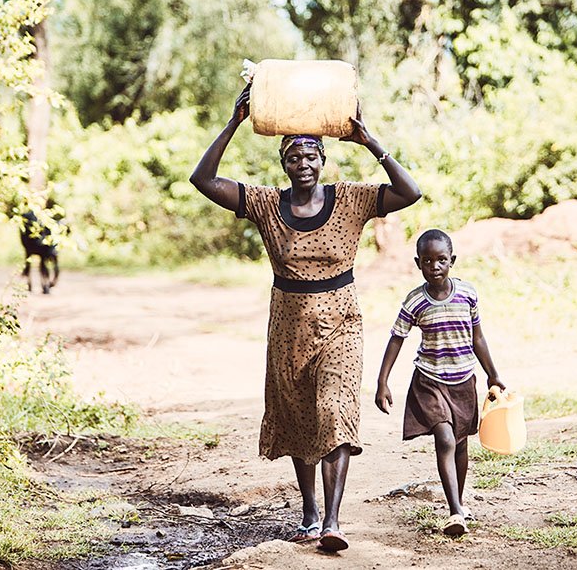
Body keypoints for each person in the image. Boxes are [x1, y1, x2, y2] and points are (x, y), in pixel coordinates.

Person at [189, 83, 421, 552]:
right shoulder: (264, 204)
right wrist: (234, 123)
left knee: (334, 411)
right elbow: (203, 180)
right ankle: (310, 512)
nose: (304, 165)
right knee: (297, 417)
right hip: (288, 327)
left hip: (341, 324)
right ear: (284, 164)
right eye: (294, 157)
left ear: (323, 160)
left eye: (312, 156)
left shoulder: (351, 199)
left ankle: (333, 521)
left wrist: (371, 141)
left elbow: (409, 192)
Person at [374, 228, 504, 537]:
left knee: (460, 444)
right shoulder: (415, 302)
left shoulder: (468, 294)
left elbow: (478, 338)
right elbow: (397, 339)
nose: (434, 267)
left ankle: (456, 504)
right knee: (444, 438)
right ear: (418, 263)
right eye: (428, 261)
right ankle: (457, 511)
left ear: (452, 261)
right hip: (429, 382)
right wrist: (383, 382)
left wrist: (493, 373)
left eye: (441, 260)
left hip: (463, 381)